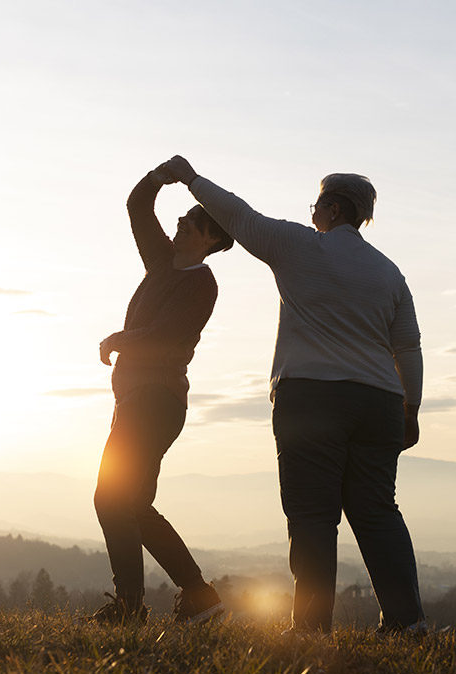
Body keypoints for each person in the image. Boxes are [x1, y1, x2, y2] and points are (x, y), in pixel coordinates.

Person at [161, 155, 426, 634]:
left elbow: (239, 217)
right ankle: (407, 622)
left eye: (316, 205)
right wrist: (412, 406)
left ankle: (310, 627)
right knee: (377, 512)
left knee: (312, 514)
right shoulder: (389, 273)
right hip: (381, 402)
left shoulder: (300, 246)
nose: (311, 214)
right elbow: (407, 345)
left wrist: (191, 178)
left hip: (311, 396)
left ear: (332, 209)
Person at [89, 166, 233, 625]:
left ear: (211, 239)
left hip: (156, 400)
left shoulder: (201, 284)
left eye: (195, 221)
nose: (184, 221)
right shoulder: (160, 263)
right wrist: (159, 176)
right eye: (186, 215)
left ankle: (130, 609)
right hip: (135, 399)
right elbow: (137, 206)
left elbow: (164, 337)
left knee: (111, 498)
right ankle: (200, 596)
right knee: (132, 504)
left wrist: (118, 339)